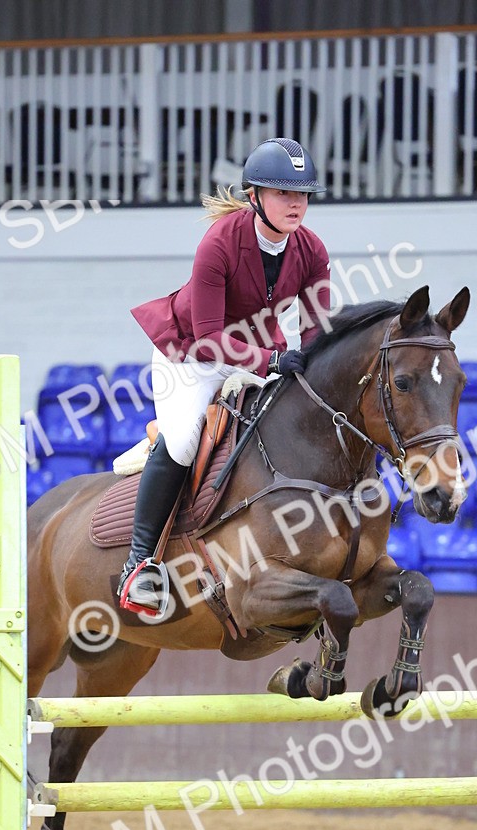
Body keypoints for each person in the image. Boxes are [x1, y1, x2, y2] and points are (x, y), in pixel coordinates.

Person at [119, 137, 331, 615]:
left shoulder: (311, 249)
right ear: (254, 196)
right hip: (191, 355)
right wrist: (274, 362)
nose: (297, 203)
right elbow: (210, 339)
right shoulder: (219, 243)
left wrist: (317, 368)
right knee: (184, 442)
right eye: (284, 193)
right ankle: (139, 565)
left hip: (257, 352)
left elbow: (319, 327)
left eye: (303, 194)